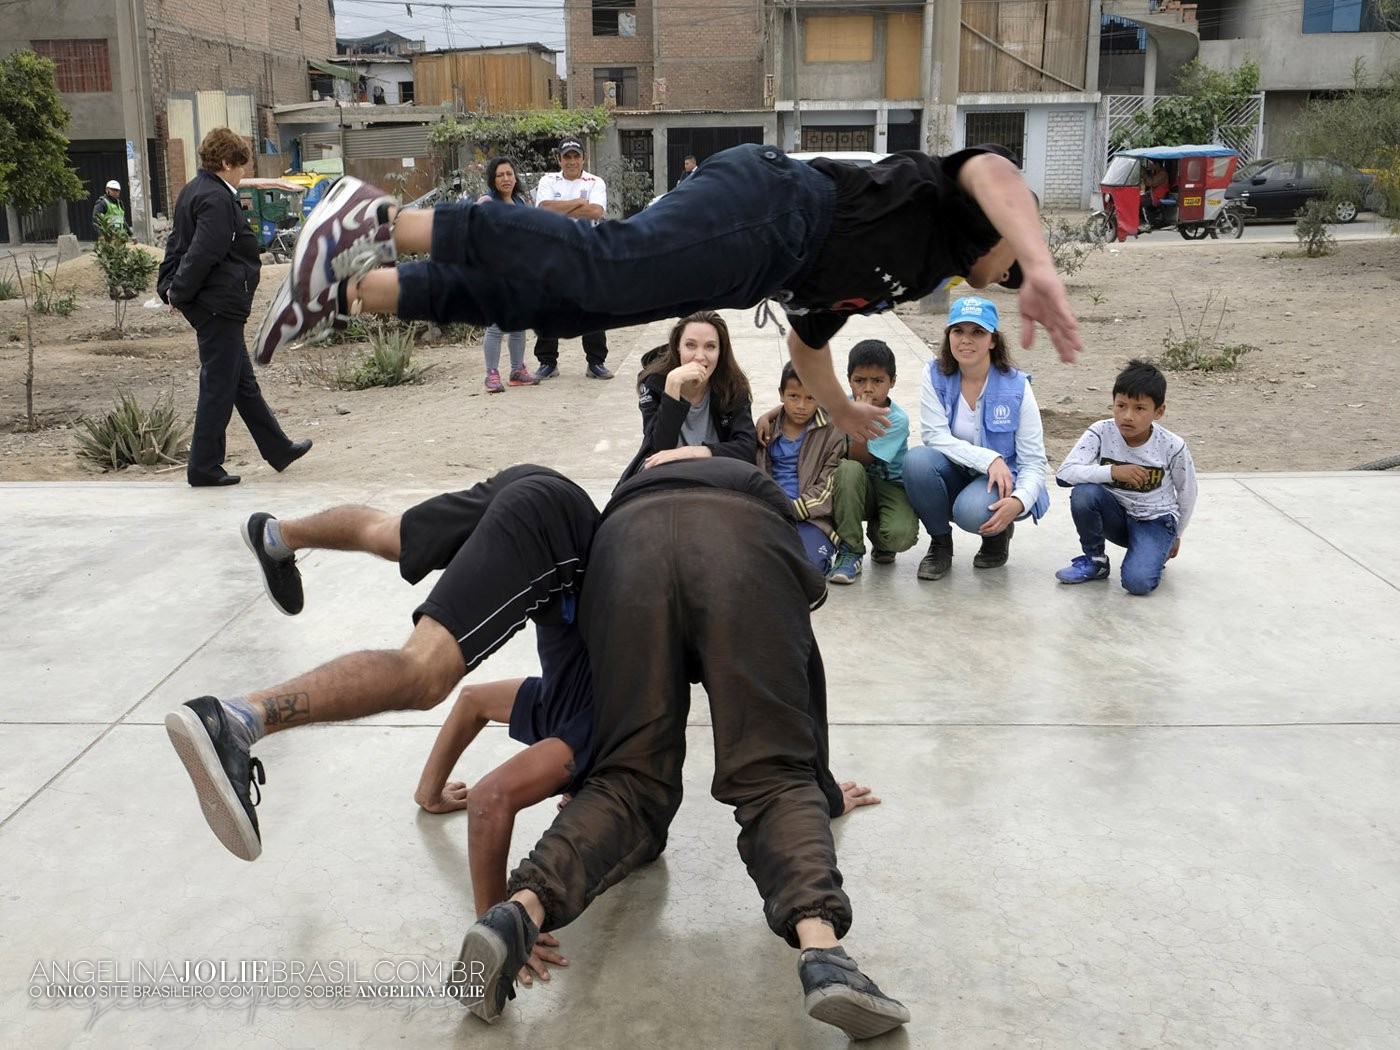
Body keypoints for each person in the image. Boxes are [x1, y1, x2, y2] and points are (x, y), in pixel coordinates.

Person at [451, 459, 909, 1041]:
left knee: (627, 780)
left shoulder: (645, 467)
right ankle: (823, 952)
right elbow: (803, 703)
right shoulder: (746, 473)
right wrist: (816, 790)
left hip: (625, 549)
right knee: (774, 773)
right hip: (743, 542)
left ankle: (517, 910)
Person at [254, 140, 1083, 443]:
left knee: (581, 306)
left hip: (755, 265)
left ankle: (364, 291)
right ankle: (386, 219)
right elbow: (995, 168)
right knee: (605, 261)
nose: (1011, 279)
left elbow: (807, 341)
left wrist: (835, 409)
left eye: (1018, 278)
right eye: (1013, 263)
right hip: (774, 205)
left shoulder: (902, 279)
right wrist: (1043, 263)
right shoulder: (947, 198)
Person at [157, 127, 311, 487]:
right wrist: (176, 292)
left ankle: (278, 448)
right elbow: (201, 252)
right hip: (217, 304)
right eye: (240, 166)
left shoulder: (195, 191)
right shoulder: (215, 198)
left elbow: (176, 245)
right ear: (225, 163)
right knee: (218, 386)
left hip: (214, 303)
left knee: (241, 383)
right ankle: (204, 467)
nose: (243, 173)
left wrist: (169, 287)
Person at [903, 296, 1049, 580]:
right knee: (916, 461)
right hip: (958, 470)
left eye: (977, 332)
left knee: (971, 512)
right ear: (949, 337)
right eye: (959, 331)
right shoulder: (934, 374)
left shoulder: (1017, 386)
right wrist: (989, 458)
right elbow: (934, 435)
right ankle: (940, 544)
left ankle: (997, 536)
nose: (966, 340)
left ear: (993, 340)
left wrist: (1019, 501)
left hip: (1001, 481)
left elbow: (1033, 461)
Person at [1053, 358, 1197, 595]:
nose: (1127, 416)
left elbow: (1187, 492)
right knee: (1084, 493)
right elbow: (1064, 474)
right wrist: (1113, 471)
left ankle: (1152, 552)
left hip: (1155, 521)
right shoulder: (1101, 431)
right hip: (1116, 517)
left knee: (1137, 584)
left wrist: (1177, 534)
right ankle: (1095, 561)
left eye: (1139, 408)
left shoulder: (1172, 445)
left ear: (1158, 411)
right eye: (1121, 405)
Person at [620, 310, 757, 481]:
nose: (699, 357)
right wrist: (672, 387)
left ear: (721, 351)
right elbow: (659, 447)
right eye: (690, 345)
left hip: (719, 473)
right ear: (677, 346)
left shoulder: (733, 385)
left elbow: (747, 448)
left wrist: (690, 452)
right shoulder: (653, 383)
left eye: (710, 346)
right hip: (665, 474)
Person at [826, 340, 920, 583]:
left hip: (890, 486)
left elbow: (862, 457)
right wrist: (770, 415)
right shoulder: (840, 407)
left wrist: (859, 422)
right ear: (849, 380)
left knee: (899, 536)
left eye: (878, 381)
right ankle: (850, 550)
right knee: (847, 469)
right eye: (860, 381)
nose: (868, 390)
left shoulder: (896, 419)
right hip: (853, 485)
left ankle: (880, 537)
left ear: (892, 381)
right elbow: (805, 409)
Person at [530, 137, 613, 381]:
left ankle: (596, 362)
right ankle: (547, 361)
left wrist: (560, 208)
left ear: (584, 158)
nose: (572, 161)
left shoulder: (596, 182)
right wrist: (578, 202)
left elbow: (596, 211)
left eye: (576, 156)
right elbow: (543, 208)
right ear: (559, 159)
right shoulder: (548, 180)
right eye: (567, 157)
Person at [754, 361, 845, 575]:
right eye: (794, 397)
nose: (801, 406)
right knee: (754, 563)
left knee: (810, 568)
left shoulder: (832, 432)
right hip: (771, 514)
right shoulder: (767, 430)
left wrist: (792, 509)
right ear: (781, 394)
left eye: (810, 398)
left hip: (810, 517)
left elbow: (828, 486)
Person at [476, 157, 540, 393]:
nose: (506, 179)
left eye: (509, 174)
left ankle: (517, 371)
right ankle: (491, 375)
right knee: (495, 325)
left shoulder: (520, 202)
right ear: (493, 179)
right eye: (500, 175)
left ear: (515, 177)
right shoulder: (486, 202)